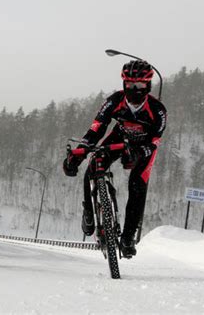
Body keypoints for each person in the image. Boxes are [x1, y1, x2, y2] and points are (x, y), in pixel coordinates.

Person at [63, 60, 167, 258]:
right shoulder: (114, 101)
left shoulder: (158, 110)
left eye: (139, 86)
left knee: (137, 186)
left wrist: (138, 153)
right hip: (119, 136)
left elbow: (154, 141)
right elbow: (97, 128)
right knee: (93, 165)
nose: (134, 90)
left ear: (148, 86)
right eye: (130, 85)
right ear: (124, 84)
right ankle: (88, 212)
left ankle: (128, 238)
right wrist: (78, 153)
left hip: (144, 146)